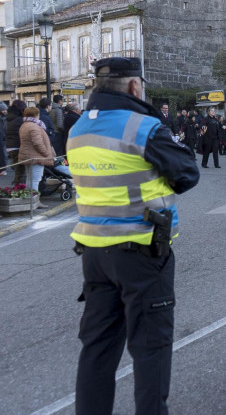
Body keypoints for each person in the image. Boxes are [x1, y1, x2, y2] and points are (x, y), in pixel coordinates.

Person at [66, 56, 199, 415]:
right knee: (151, 348)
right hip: (140, 251)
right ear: (134, 86)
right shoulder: (142, 127)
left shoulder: (77, 130)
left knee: (97, 349)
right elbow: (187, 173)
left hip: (94, 254)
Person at [18, 106, 55, 202]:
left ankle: (29, 201)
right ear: (36, 115)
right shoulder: (34, 126)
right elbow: (37, 143)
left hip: (28, 156)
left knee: (29, 179)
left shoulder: (25, 125)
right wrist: (46, 153)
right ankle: (34, 202)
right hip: (36, 157)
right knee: (35, 180)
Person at [6, 100, 27, 185]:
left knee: (17, 169)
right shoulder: (20, 119)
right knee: (20, 171)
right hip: (17, 146)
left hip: (10, 146)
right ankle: (18, 190)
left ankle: (17, 187)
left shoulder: (9, 118)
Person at [0, 102, 7, 175]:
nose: (5, 111)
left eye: (5, 110)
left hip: (4, 138)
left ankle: (3, 169)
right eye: (3, 110)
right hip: (2, 138)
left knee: (4, 155)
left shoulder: (6, 118)